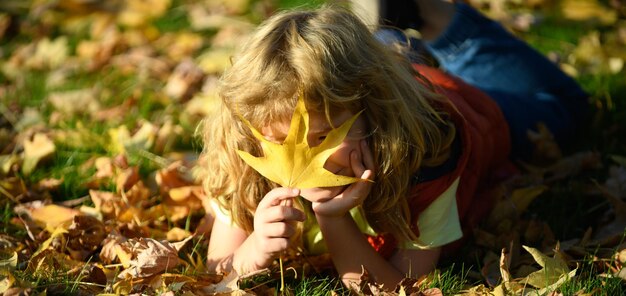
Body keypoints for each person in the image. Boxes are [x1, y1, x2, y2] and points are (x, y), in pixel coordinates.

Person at [199, 0, 588, 290]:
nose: (304, 155)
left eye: (323, 137)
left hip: (465, 105)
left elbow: (401, 288)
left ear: (371, 116)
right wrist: (251, 253)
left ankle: (429, 14)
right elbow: (218, 269)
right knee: (382, 54)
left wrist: (333, 220)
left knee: (570, 110)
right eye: (278, 141)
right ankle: (388, 32)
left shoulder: (428, 155)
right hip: (383, 75)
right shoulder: (248, 153)